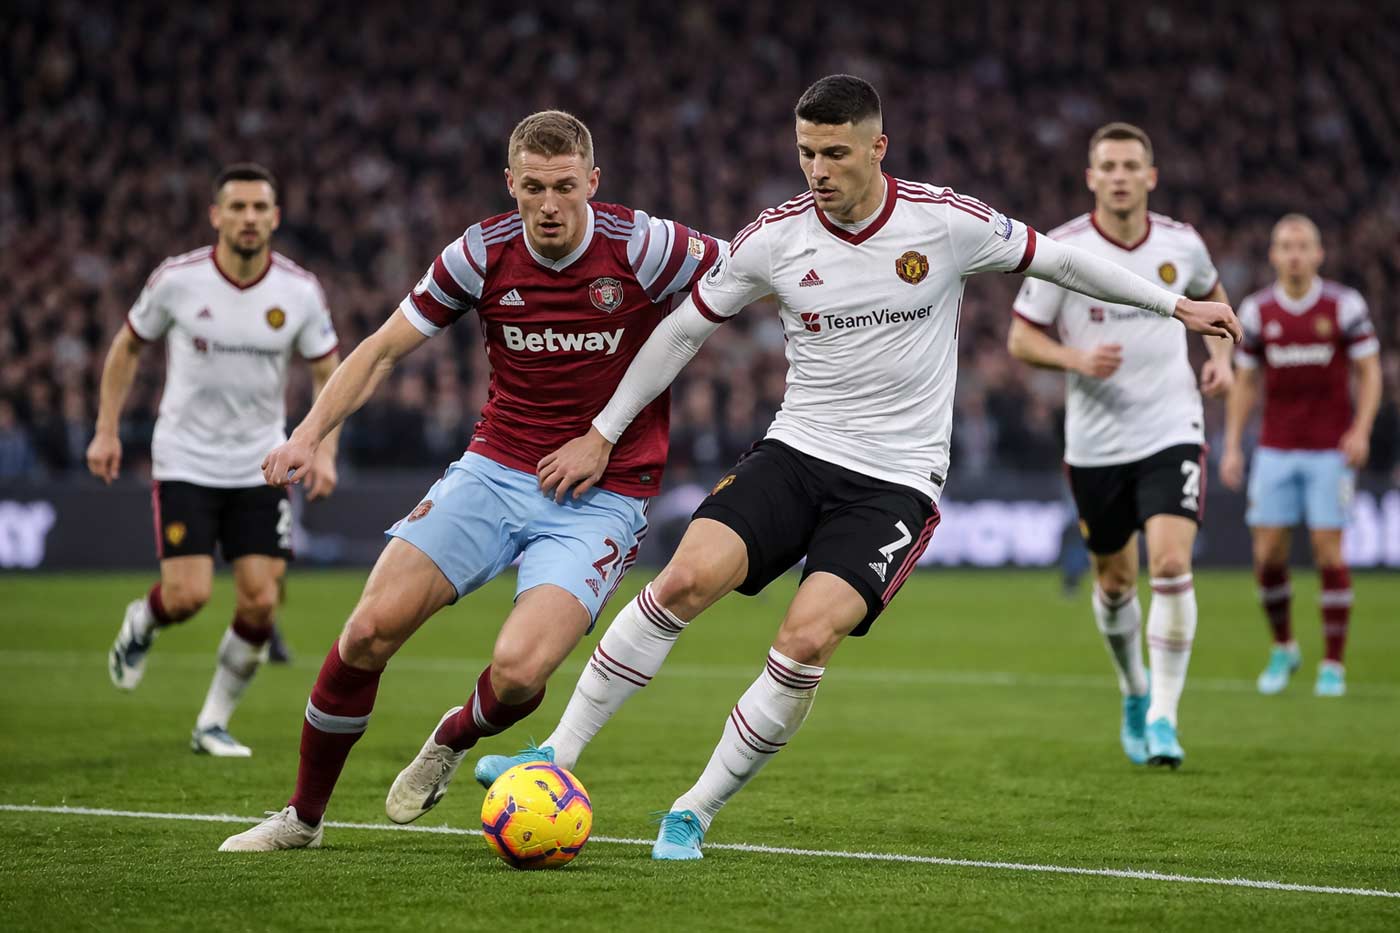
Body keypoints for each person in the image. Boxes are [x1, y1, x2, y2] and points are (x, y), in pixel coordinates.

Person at [477, 77, 1241, 860]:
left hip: (895, 481)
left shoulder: (945, 223)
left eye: (835, 153)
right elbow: (681, 332)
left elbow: (1063, 262)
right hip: (797, 450)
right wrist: (603, 432)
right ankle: (556, 753)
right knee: (681, 581)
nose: (818, 170)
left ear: (878, 148)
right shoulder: (775, 238)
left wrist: (1175, 307)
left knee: (805, 640)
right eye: (806, 152)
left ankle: (693, 810)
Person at [218, 110, 721, 852]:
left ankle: (454, 736)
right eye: (534, 188)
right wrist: (307, 433)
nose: (549, 205)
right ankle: (302, 819)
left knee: (518, 674)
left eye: (565, 187)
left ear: (593, 182)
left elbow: (752, 270)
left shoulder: (643, 246)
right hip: (495, 469)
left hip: (604, 494)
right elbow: (383, 349)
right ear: (510, 183)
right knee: (367, 631)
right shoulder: (480, 253)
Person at [90, 163, 342, 757]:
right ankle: (144, 621)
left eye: (259, 208)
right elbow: (127, 347)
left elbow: (327, 368)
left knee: (260, 600)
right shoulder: (177, 280)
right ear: (216, 215)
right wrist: (105, 431)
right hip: (186, 457)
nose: (248, 218)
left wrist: (323, 449)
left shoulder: (299, 291)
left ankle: (212, 723)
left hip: (262, 462)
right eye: (237, 207)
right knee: (188, 597)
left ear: (275, 218)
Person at [1006, 123, 1234, 769]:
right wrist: (1075, 359)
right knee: (1114, 583)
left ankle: (1164, 714)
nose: (1120, 176)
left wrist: (1221, 357)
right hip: (1096, 444)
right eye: (1108, 166)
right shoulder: (1064, 250)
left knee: (1171, 564)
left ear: (1151, 176)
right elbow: (1021, 338)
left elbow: (1212, 297)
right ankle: (1134, 688)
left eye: (1131, 165)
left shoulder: (1182, 243)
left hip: (1172, 427)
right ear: (1091, 178)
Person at [1220, 214, 1381, 698]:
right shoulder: (1257, 311)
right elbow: (1246, 382)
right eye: (1286, 246)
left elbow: (1369, 371)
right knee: (1267, 554)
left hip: (1330, 450)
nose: (1294, 254)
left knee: (1329, 551)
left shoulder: (1344, 305)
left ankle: (1333, 664)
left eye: (1303, 246)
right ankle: (1284, 646)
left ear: (1318, 254)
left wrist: (1361, 430)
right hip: (1275, 448)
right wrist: (1232, 445)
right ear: (1273, 255)